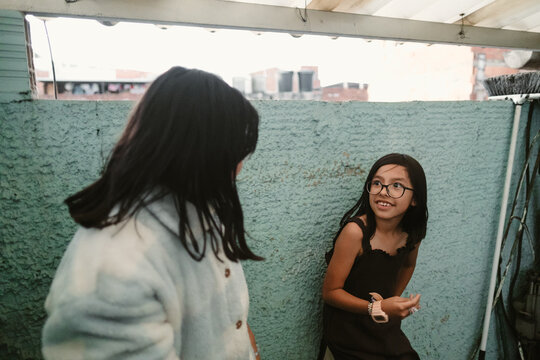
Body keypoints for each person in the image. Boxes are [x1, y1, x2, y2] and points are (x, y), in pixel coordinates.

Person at [42, 67, 262, 360]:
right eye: (234, 155)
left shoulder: (199, 211)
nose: (239, 168)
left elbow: (233, 321)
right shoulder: (116, 271)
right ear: (201, 153)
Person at [320, 153, 428, 360]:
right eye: (377, 183)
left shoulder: (412, 234)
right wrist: (374, 307)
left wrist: (391, 302)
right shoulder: (356, 233)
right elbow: (330, 292)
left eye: (397, 186)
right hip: (347, 329)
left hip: (382, 324)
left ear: (415, 198)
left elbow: (407, 266)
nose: (384, 192)